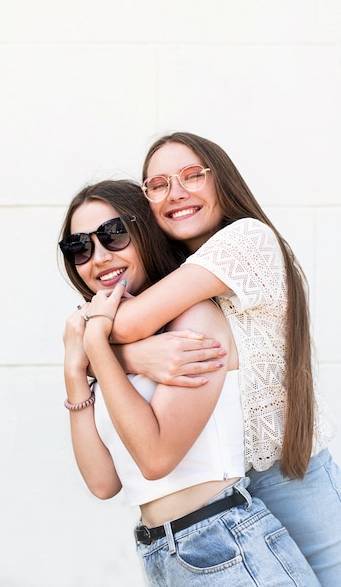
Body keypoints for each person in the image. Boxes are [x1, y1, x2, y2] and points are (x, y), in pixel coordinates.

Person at [105, 132, 341, 586]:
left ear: (222, 181)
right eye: (158, 185)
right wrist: (127, 355)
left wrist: (125, 352)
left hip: (288, 475)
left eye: (193, 175)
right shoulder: (171, 275)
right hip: (224, 490)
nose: (177, 193)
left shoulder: (247, 240)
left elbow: (119, 325)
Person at [59, 179, 319, 586]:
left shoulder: (194, 319)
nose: (99, 257)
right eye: (79, 247)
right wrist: (75, 372)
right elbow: (103, 482)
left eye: (113, 236)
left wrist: (93, 342)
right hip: (164, 554)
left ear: (145, 232)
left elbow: (156, 458)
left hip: (226, 545)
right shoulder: (113, 346)